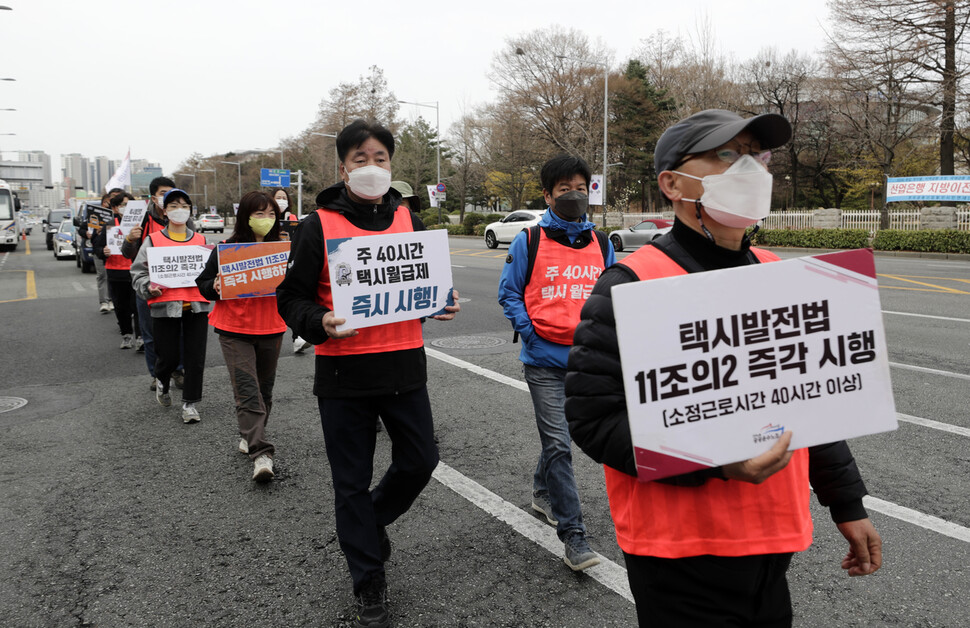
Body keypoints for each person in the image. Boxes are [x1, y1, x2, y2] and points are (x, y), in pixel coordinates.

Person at [564, 109, 882, 627]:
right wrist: (715, 460)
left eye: (757, 155)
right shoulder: (632, 283)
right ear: (672, 183)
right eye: (727, 155)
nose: (750, 169)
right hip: (678, 551)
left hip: (770, 541)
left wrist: (847, 502)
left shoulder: (778, 274)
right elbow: (592, 419)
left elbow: (811, 401)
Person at [277, 119, 460, 628]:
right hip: (343, 377)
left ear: (391, 165)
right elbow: (289, 298)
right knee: (349, 484)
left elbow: (422, 287)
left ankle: (369, 523)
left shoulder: (410, 221)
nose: (372, 167)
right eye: (361, 159)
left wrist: (441, 302)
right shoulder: (318, 225)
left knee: (421, 461)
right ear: (343, 168)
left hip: (404, 366)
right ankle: (369, 582)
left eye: (380, 158)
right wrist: (319, 322)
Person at [497, 154, 614, 572]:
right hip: (544, 362)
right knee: (560, 444)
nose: (574, 195)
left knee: (563, 441)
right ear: (547, 195)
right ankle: (574, 536)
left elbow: (613, 297)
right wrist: (530, 331)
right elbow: (508, 293)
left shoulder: (603, 243)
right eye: (564, 189)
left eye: (580, 188)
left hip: (588, 363)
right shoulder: (528, 240)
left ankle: (542, 492)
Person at [196, 191, 287, 482]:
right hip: (234, 329)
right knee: (248, 391)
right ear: (245, 217)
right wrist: (216, 286)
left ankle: (249, 435)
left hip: (272, 326)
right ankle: (261, 452)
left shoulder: (283, 249)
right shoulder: (226, 249)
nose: (266, 220)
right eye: (259, 214)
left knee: (265, 391)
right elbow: (203, 284)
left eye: (271, 214)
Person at [131, 189, 212, 424]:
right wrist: (148, 287)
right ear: (164, 211)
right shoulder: (153, 240)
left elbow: (210, 273)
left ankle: (190, 404)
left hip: (196, 307)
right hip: (165, 307)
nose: (180, 209)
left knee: (195, 357)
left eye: (185, 205)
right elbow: (137, 272)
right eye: (174, 205)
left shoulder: (202, 241)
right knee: (167, 356)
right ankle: (162, 381)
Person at [123, 177, 185, 390]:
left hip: (177, 285)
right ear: (154, 197)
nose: (168, 197)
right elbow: (127, 255)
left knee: (179, 332)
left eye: (172, 192)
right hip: (148, 287)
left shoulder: (181, 217)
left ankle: (178, 370)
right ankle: (157, 374)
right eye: (163, 192)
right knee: (150, 335)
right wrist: (130, 240)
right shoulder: (140, 219)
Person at [93, 192, 141, 349]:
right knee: (121, 307)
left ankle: (140, 337)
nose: (126, 208)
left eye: (129, 205)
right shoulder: (109, 224)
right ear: (115, 208)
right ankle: (126, 335)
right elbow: (97, 247)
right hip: (115, 272)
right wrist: (103, 251)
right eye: (122, 205)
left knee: (138, 306)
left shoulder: (139, 224)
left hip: (136, 271)